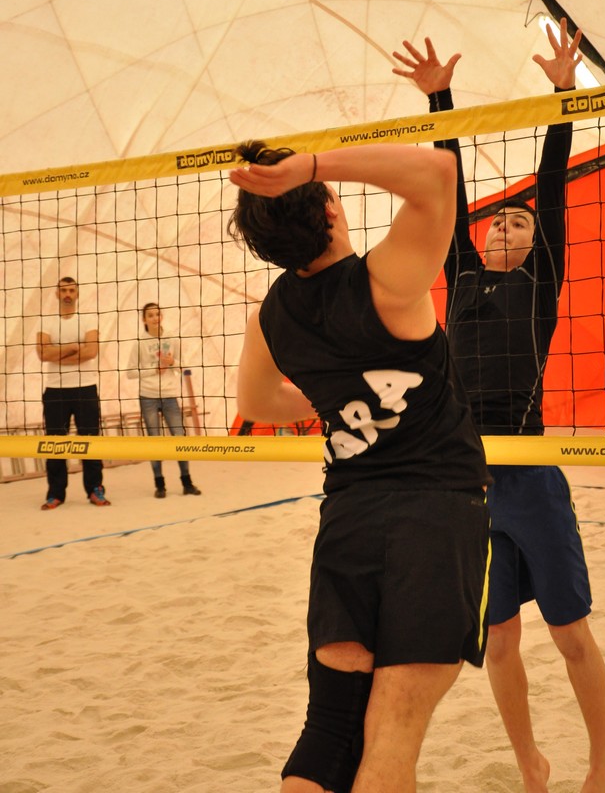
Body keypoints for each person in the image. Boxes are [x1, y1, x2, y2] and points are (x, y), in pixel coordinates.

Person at [392, 19, 605, 793]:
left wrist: (563, 95)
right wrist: (440, 101)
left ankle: (603, 760)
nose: (503, 225)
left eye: (516, 222)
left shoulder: (539, 282)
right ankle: (530, 762)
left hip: (531, 472)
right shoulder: (460, 273)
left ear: (532, 242)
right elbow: (450, 190)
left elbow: (551, 193)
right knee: (499, 639)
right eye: (498, 220)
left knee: (571, 633)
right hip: (471, 481)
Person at [227, 140, 491, 793]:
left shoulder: (272, 316)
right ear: (329, 209)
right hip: (436, 515)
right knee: (390, 738)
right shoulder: (386, 281)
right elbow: (438, 172)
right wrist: (315, 165)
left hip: (348, 522)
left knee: (329, 733)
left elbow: (257, 404)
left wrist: (339, 401)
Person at [36, 276, 111, 509]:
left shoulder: (88, 319)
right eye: (63, 290)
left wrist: (57, 353)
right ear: (57, 294)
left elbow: (91, 352)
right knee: (55, 444)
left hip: (85, 388)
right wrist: (71, 348)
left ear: (77, 294)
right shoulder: (46, 322)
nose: (67, 294)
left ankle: (95, 489)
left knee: (90, 441)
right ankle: (55, 493)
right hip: (55, 390)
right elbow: (42, 354)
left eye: (71, 290)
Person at [126, 302, 202, 498]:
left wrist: (172, 362)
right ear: (144, 319)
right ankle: (160, 485)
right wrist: (154, 370)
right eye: (150, 315)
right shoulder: (139, 343)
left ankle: (187, 482)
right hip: (148, 396)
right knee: (155, 440)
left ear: (162, 316)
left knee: (179, 437)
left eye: (157, 314)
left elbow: (184, 367)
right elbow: (130, 373)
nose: (155, 318)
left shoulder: (172, 338)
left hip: (169, 395)